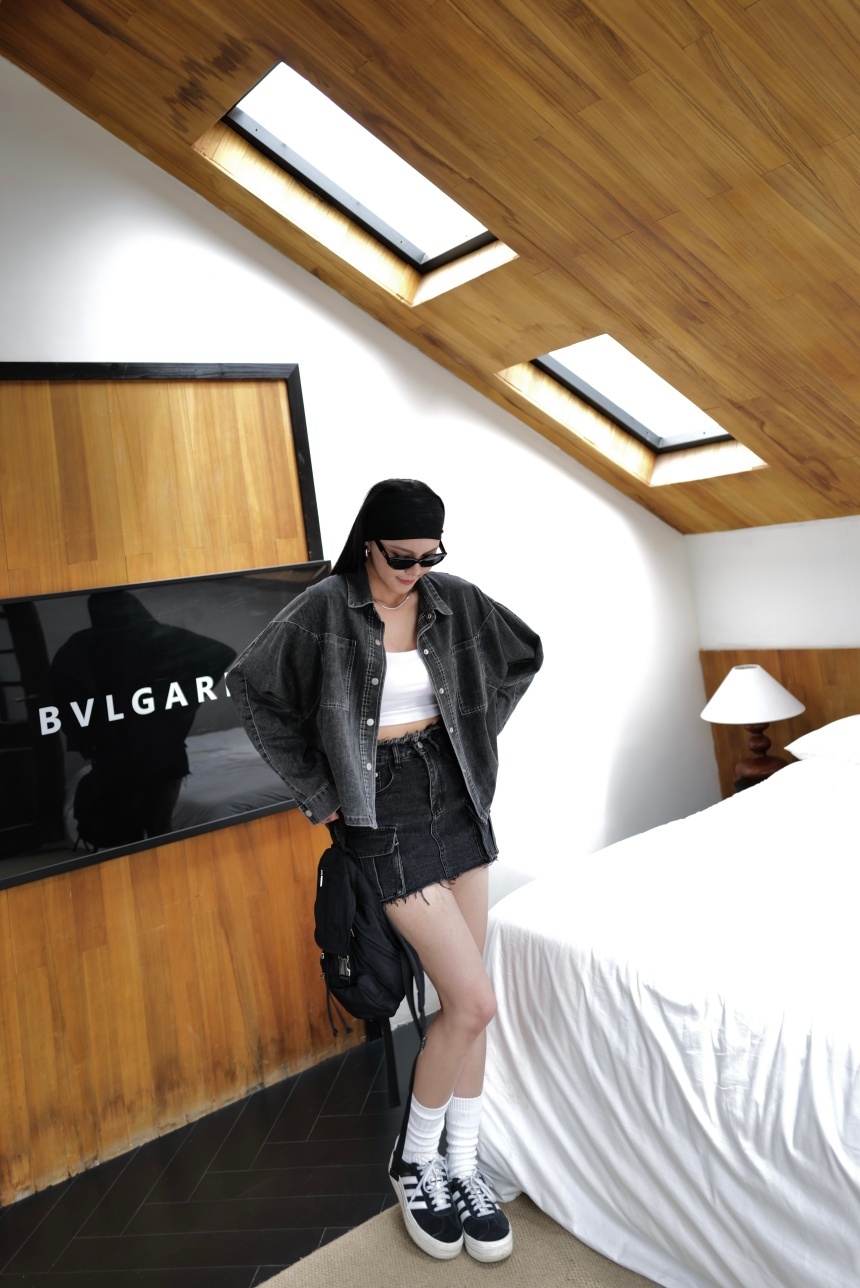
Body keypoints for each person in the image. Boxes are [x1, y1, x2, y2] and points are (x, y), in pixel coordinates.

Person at [229, 479, 542, 1263]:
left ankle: (461, 1168)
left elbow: (523, 653)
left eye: (430, 556)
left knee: (464, 1004)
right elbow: (252, 691)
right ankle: (413, 1163)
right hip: (383, 807)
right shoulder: (325, 611)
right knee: (475, 1002)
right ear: (368, 542)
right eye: (402, 558)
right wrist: (320, 791)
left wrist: (475, 732)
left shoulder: (453, 600)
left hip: (457, 796)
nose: (416, 572)